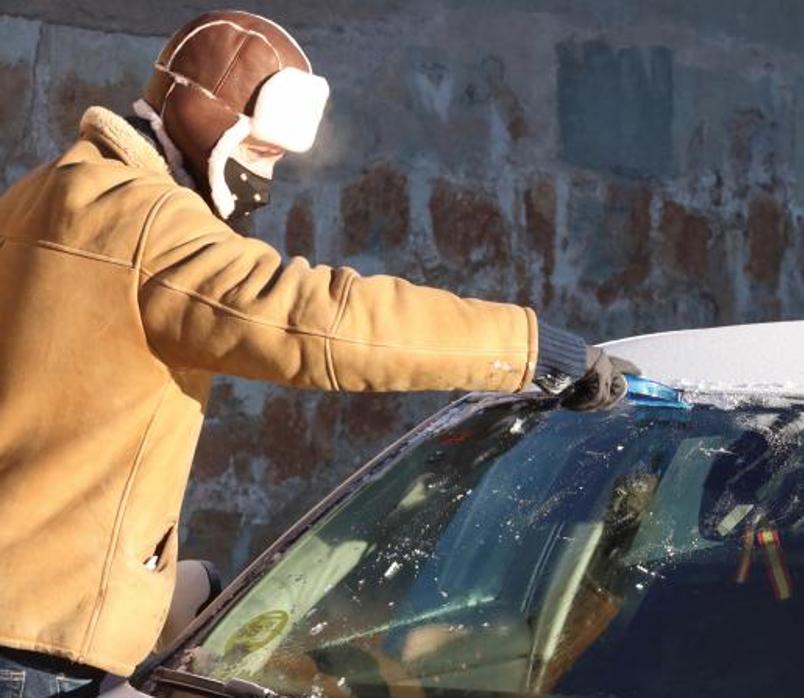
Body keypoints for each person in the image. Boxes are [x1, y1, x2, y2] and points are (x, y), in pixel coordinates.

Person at [0, 9, 636, 697]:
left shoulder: (49, 192)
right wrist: (528, 344)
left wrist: (168, 585)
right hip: (40, 651)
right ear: (210, 121)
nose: (263, 179)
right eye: (263, 152)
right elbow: (318, 322)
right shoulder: (150, 226)